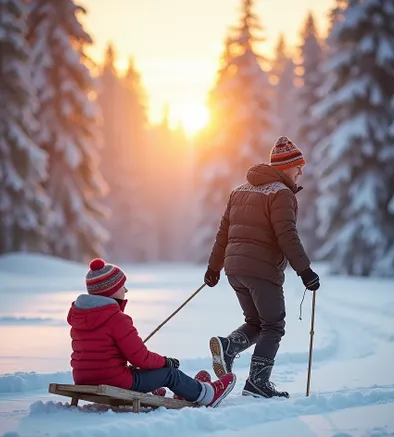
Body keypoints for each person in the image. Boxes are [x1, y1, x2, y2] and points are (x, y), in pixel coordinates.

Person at [204, 136, 320, 399]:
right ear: (283, 167)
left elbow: (223, 233)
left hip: (235, 270)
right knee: (274, 326)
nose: (301, 171)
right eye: (297, 166)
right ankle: (257, 382)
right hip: (261, 270)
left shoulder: (240, 190)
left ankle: (228, 347)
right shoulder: (281, 194)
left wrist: (214, 268)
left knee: (256, 322)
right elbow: (287, 235)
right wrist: (305, 271)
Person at [67, 258, 236, 408]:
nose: (125, 291)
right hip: (114, 380)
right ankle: (208, 394)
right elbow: (141, 358)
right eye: (122, 286)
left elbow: (103, 354)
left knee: (135, 369)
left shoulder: (80, 317)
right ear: (110, 290)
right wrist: (165, 362)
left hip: (83, 378)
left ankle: (184, 390)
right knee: (171, 375)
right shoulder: (116, 318)